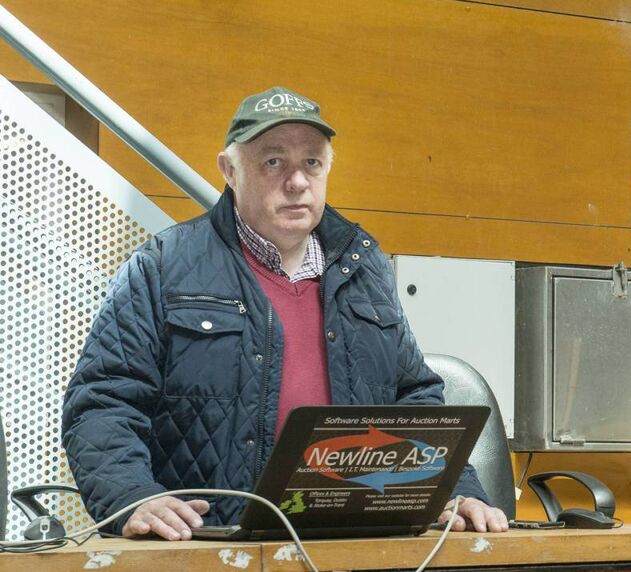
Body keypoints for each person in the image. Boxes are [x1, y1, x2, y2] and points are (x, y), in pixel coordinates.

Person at [62, 86, 508, 539]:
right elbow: (103, 401)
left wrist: (453, 490)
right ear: (229, 170)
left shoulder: (364, 264)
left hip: (350, 543)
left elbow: (414, 399)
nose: (297, 182)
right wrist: (131, 497)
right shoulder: (164, 265)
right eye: (273, 161)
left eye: (311, 162)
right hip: (206, 544)